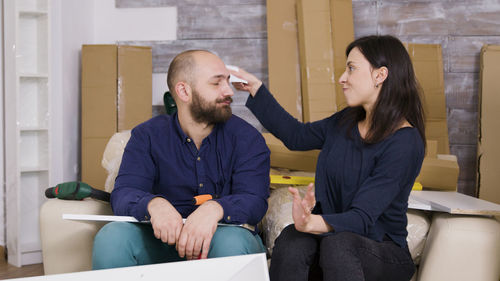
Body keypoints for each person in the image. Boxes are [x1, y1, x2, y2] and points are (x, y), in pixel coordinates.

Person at [231, 35, 425, 281]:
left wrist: (313, 222)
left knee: (340, 245)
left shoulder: (405, 142)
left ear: (380, 75)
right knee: (292, 238)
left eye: (351, 69)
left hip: (382, 250)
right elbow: (296, 136)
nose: (342, 78)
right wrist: (256, 89)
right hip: (336, 239)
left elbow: (362, 218)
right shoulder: (346, 121)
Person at [92, 50, 270, 269]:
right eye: (216, 84)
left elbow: (255, 200)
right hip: (161, 241)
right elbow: (124, 193)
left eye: (227, 82)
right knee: (111, 238)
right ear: (184, 91)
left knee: (232, 243)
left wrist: (215, 209)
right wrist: (153, 204)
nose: (228, 91)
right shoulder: (146, 136)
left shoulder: (247, 138)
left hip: (222, 237)